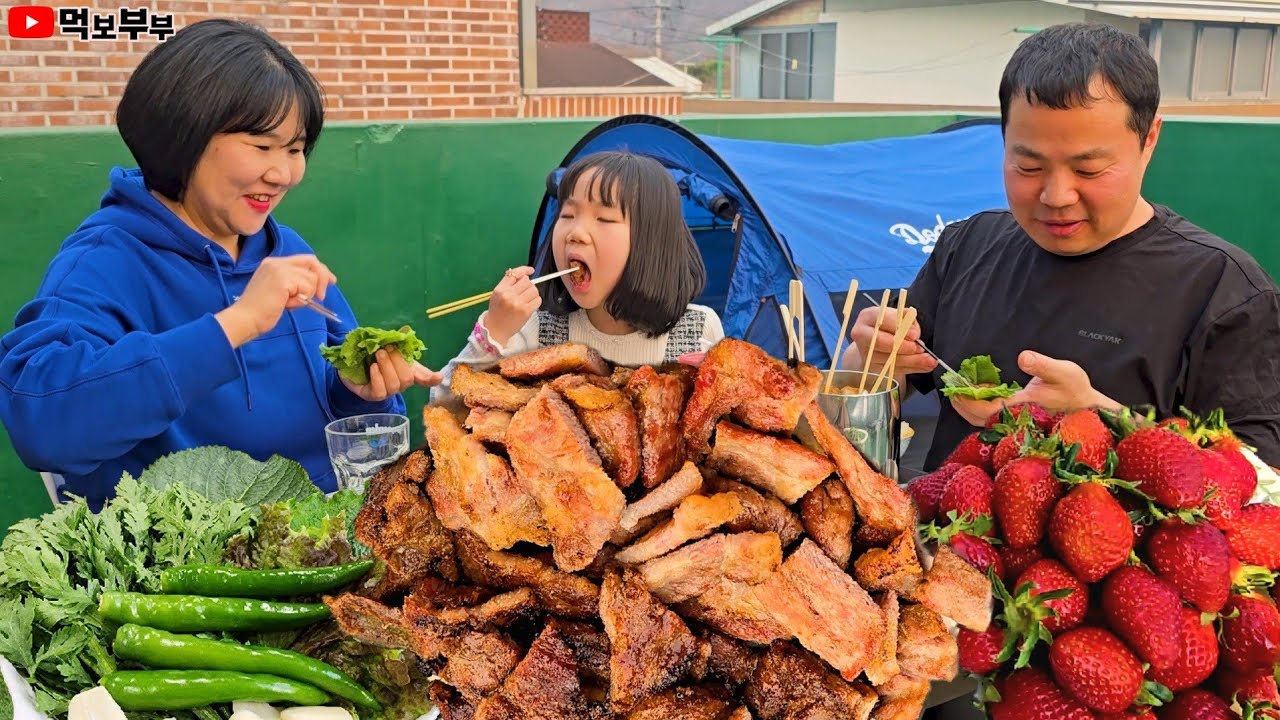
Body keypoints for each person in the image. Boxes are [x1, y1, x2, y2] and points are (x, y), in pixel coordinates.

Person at [0, 19, 443, 508]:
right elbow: (43, 425)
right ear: (182, 136)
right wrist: (236, 323)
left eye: (295, 149)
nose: (283, 174)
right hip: (192, 550)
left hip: (324, 532)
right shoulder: (104, 263)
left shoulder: (287, 250)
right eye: (262, 146)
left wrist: (356, 391)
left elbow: (344, 411)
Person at [841, 21, 1280, 471]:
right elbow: (888, 381)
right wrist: (870, 361)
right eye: (1028, 167)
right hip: (943, 517)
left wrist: (1098, 417)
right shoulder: (967, 246)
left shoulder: (1222, 291)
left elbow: (1261, 478)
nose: (1056, 196)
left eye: (1089, 170)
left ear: (1148, 140)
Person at [435, 150, 723, 388]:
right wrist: (494, 332)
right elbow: (443, 403)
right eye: (568, 214)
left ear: (653, 241)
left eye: (604, 219)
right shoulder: (536, 331)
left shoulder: (698, 330)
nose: (575, 233)